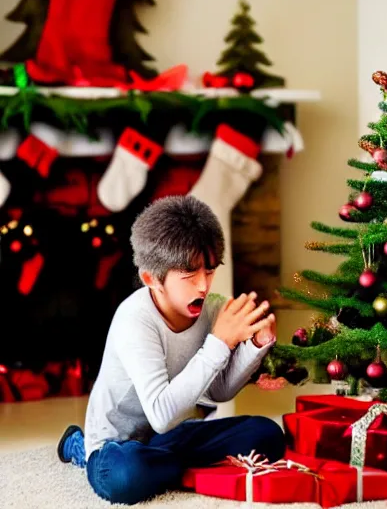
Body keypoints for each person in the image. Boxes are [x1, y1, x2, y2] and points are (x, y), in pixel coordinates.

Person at [57, 195, 285, 505]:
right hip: (118, 445)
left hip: (173, 436)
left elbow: (217, 392)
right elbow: (161, 414)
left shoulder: (211, 308)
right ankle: (81, 448)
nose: (203, 286)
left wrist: (254, 346)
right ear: (152, 279)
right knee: (127, 476)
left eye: (210, 270)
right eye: (190, 274)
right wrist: (219, 342)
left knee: (267, 435)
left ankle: (170, 464)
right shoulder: (134, 319)